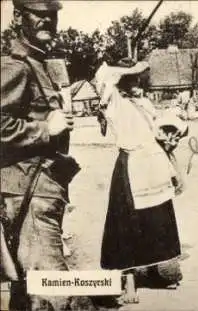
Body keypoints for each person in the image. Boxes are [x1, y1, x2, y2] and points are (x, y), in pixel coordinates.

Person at [0, 0, 94, 309]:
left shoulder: (38, 63)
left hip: (40, 190)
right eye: (39, 14)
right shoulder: (16, 65)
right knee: (53, 291)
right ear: (18, 17)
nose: (47, 21)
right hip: (28, 195)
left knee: (27, 293)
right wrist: (44, 129)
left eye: (52, 15)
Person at [93, 59, 188, 304]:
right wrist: (130, 69)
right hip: (131, 166)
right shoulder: (114, 100)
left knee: (156, 220)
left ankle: (154, 272)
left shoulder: (144, 102)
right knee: (127, 225)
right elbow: (103, 75)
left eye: (139, 77)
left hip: (154, 164)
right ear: (123, 79)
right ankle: (130, 280)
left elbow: (161, 126)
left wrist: (172, 134)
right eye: (133, 78)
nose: (138, 82)